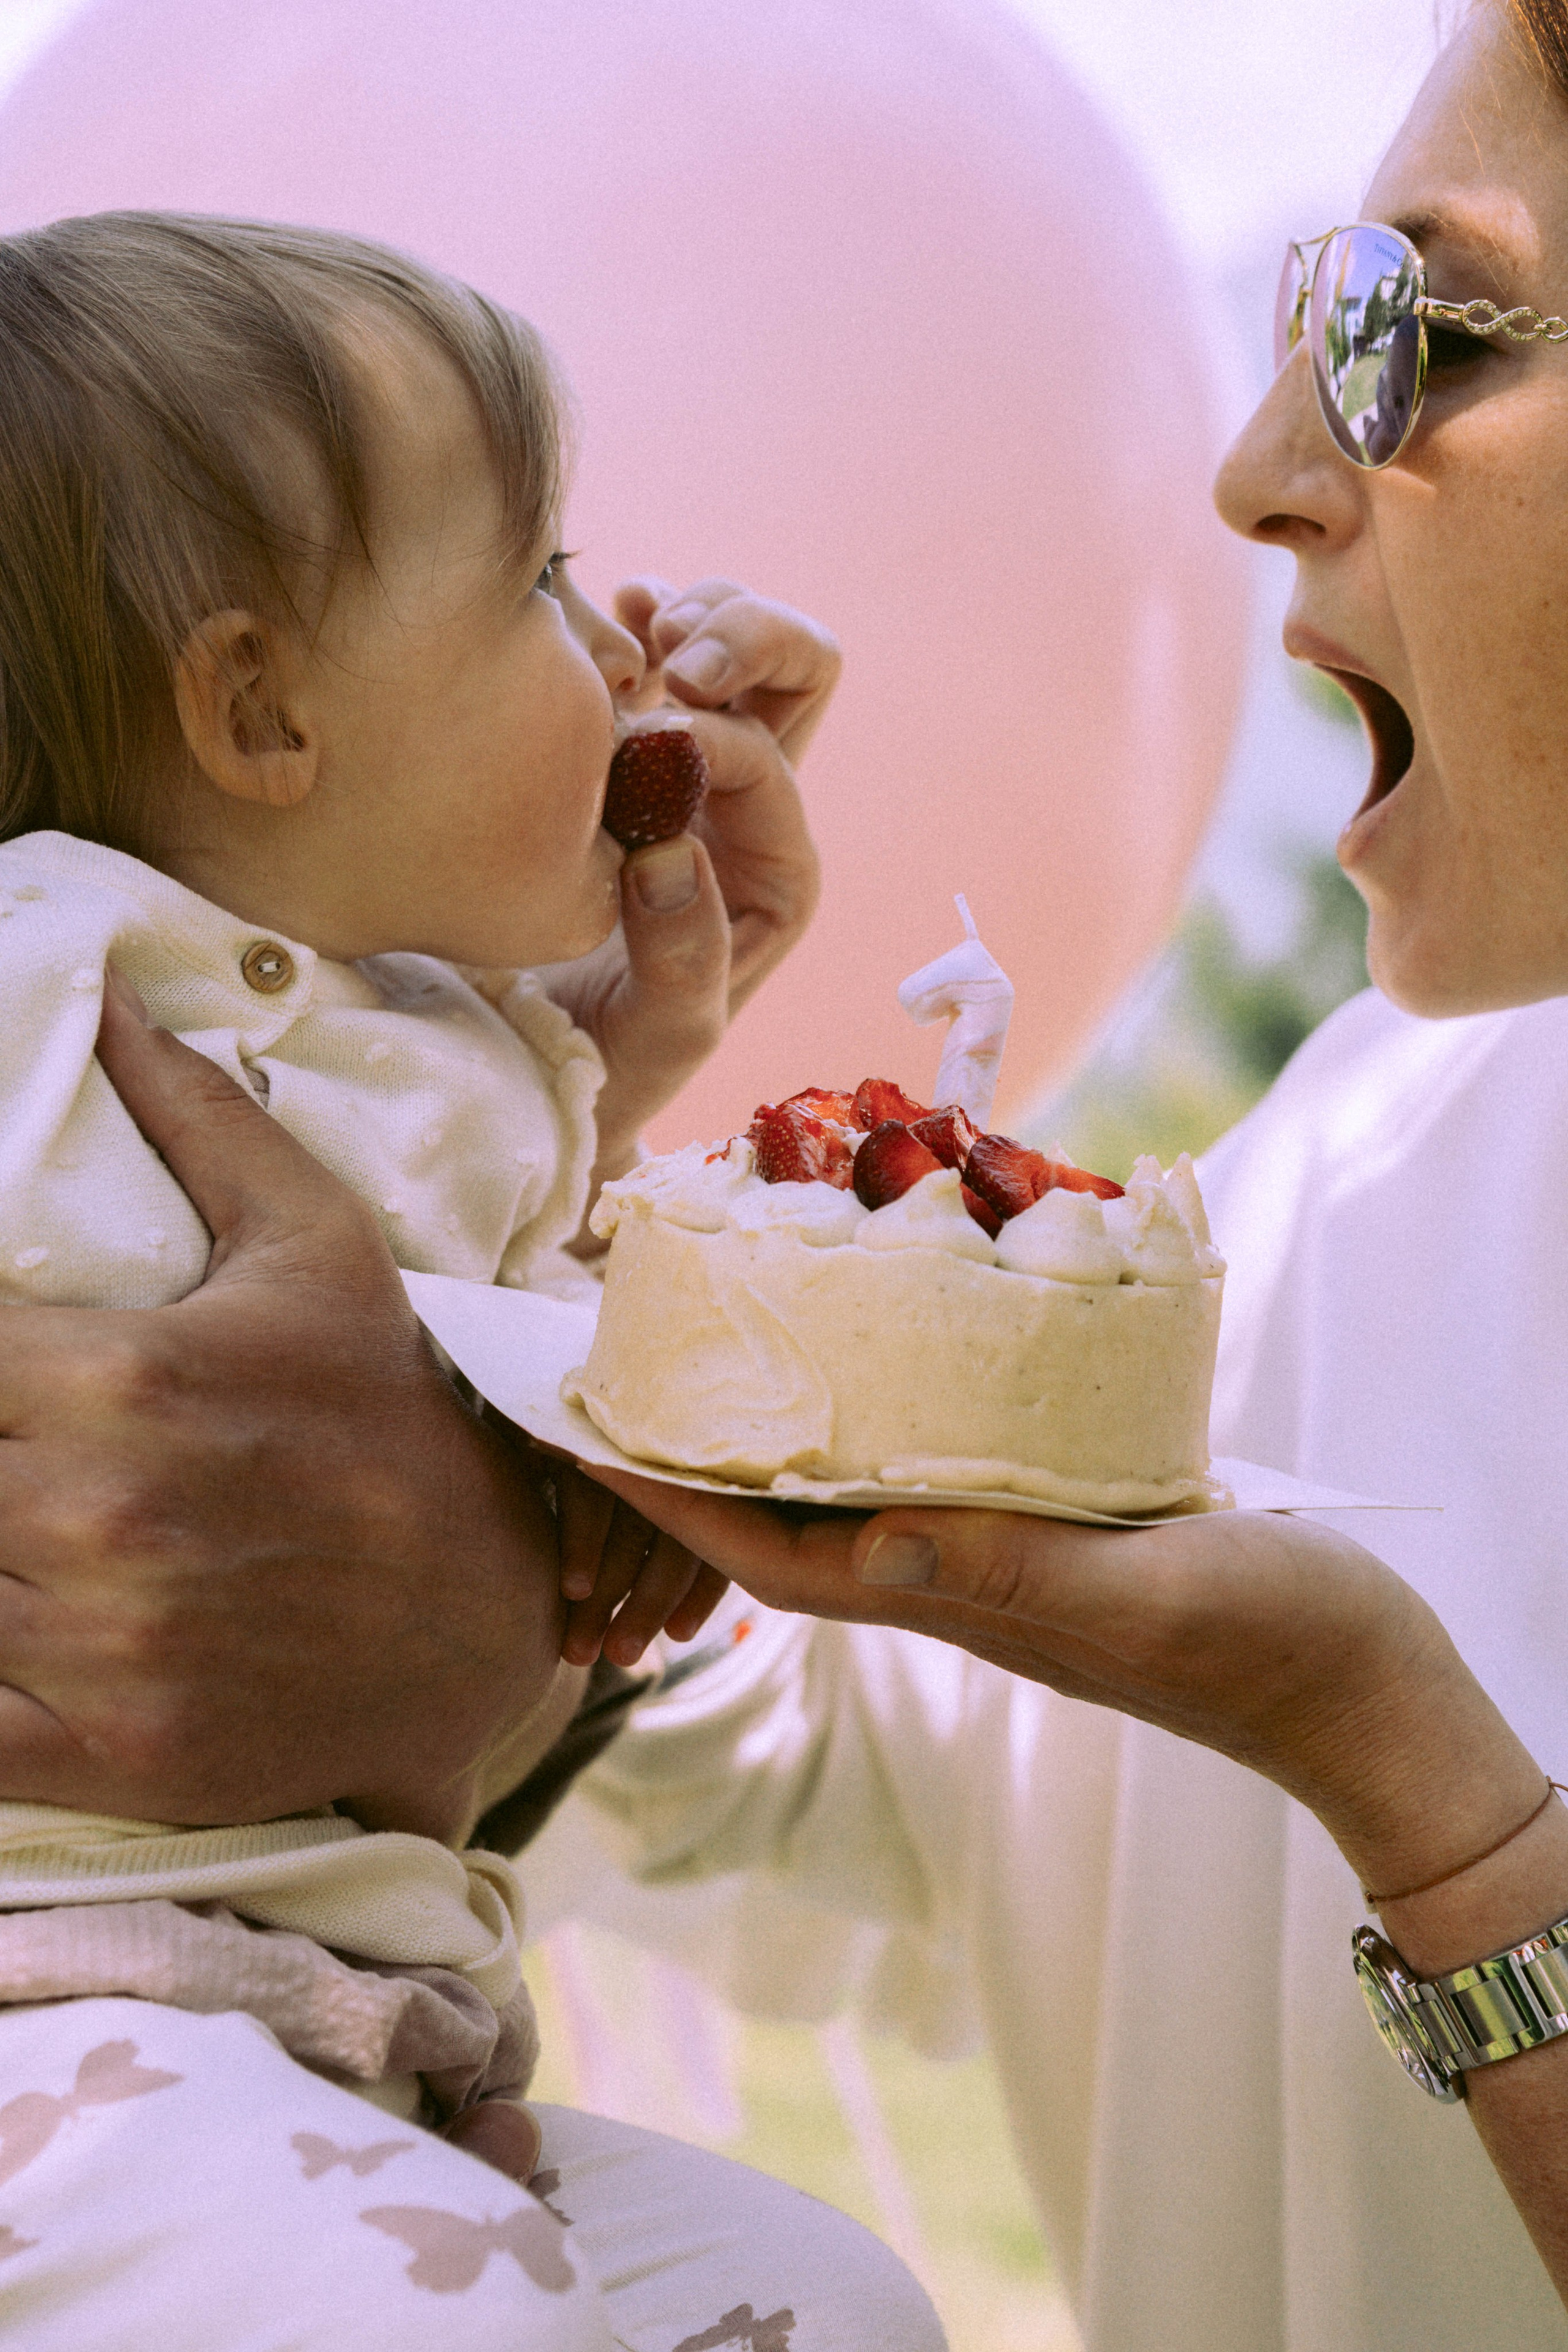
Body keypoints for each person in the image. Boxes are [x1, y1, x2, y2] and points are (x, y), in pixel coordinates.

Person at [554, 4, 1568, 2346]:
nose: (1254, 466)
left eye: (1407, 330)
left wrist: (1421, 1789)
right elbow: (888, 1760)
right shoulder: (1363, 1140)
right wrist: (529, 1116)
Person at [0, 212, 941, 2350]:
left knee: (825, 2300)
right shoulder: (43, 970)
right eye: (535, 577)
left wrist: (613, 1074)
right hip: (51, 2027)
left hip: (333, 2025)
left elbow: (460, 1340)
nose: (613, 644)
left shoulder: (443, 1056)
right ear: (255, 709)